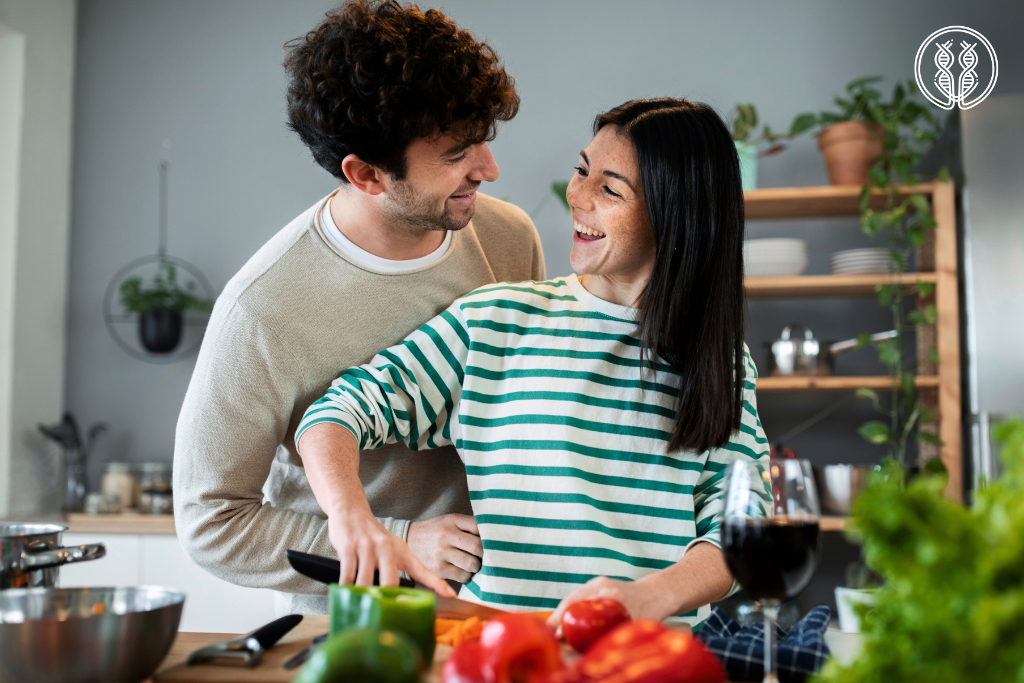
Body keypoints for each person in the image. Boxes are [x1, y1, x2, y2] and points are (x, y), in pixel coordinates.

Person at [294, 97, 772, 627]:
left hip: (647, 659)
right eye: (581, 171)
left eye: (609, 189)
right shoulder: (496, 320)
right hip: (501, 654)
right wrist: (352, 520)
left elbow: (741, 528)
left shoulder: (719, 362)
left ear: (676, 214)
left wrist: (649, 598)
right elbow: (335, 414)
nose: (578, 196)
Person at [173, 0, 545, 613]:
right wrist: (396, 544)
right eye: (455, 154)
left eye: (483, 139)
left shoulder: (509, 238)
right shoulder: (263, 308)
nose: (490, 169)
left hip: (503, 611)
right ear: (367, 173)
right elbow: (211, 519)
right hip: (358, 628)